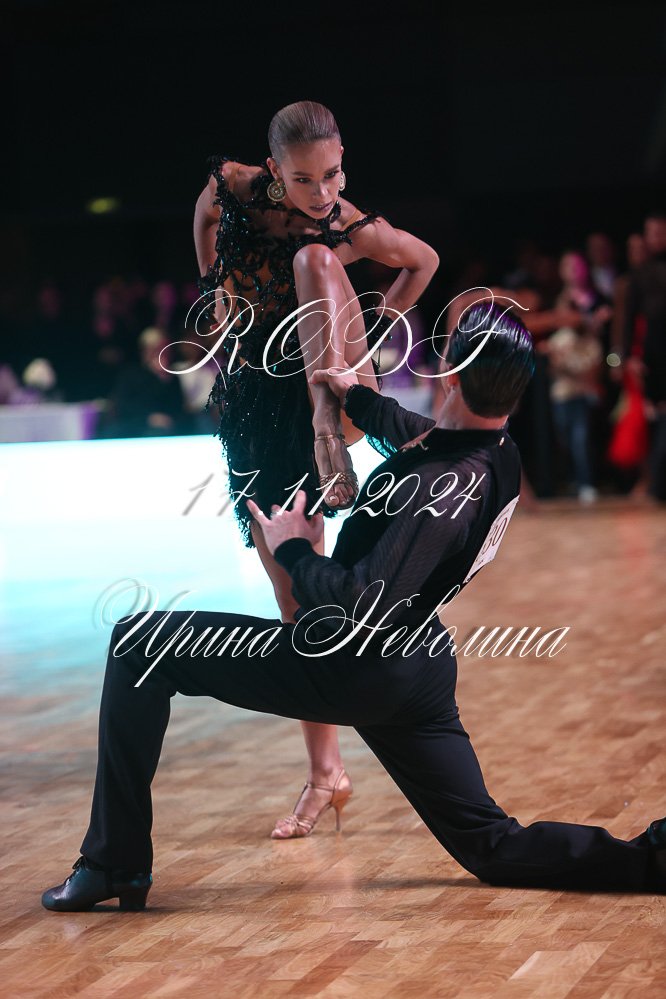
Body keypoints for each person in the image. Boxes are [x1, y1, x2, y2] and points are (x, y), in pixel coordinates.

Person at [41, 303, 666, 912]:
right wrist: (357, 398)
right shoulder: (496, 451)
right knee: (491, 846)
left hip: (355, 662)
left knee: (139, 644)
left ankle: (113, 863)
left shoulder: (439, 489)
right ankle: (652, 861)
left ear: (448, 374)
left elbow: (364, 599)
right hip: (418, 667)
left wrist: (292, 550)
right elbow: (417, 434)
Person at [192, 100, 440, 838]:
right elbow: (204, 214)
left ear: (343, 161)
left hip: (333, 376)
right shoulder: (234, 187)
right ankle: (326, 772)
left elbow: (422, 261)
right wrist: (212, 288)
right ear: (273, 171)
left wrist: (377, 336)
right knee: (292, 595)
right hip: (257, 404)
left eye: (332, 174)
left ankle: (327, 420)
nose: (322, 192)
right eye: (304, 180)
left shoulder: (345, 224)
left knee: (314, 259)